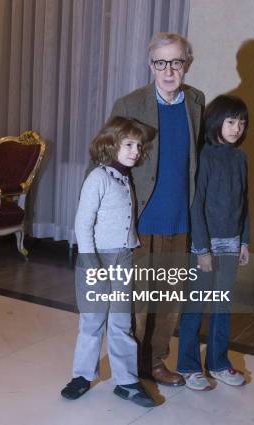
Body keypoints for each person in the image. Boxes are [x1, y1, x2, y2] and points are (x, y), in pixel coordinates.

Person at [109, 32, 205, 387]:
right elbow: (105, 160)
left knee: (168, 300)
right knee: (136, 302)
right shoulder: (130, 104)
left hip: (179, 219)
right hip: (141, 220)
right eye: (160, 62)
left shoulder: (196, 102)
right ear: (151, 65)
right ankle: (128, 367)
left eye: (176, 62)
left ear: (187, 65)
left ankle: (155, 361)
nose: (168, 70)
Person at [61, 116, 156, 407]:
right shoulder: (98, 178)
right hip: (97, 259)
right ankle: (82, 375)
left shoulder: (126, 178)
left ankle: (125, 380)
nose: (135, 151)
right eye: (128, 144)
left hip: (122, 258)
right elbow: (83, 224)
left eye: (138, 146)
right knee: (92, 321)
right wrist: (92, 265)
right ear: (110, 144)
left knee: (120, 320)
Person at [177, 95, 250, 390]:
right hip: (205, 247)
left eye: (242, 123)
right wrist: (202, 249)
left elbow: (246, 202)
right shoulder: (204, 155)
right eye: (231, 121)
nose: (236, 128)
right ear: (216, 121)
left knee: (223, 306)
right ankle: (188, 365)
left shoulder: (241, 158)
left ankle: (219, 363)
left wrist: (244, 241)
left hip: (232, 244)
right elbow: (197, 205)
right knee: (195, 306)